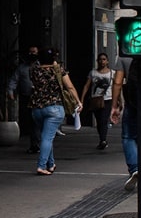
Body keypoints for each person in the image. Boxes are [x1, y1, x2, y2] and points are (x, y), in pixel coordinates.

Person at [29, 47, 81, 176]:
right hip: (54, 108)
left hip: (37, 108)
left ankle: (50, 164)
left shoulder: (34, 70)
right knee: (47, 138)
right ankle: (41, 166)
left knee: (46, 136)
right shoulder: (58, 70)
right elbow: (69, 87)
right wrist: (78, 101)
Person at [110, 56, 138, 191]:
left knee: (129, 136)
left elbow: (118, 82)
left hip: (133, 102)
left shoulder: (124, 56)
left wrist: (114, 105)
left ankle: (135, 168)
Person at [79, 53, 114, 150]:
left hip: (108, 99)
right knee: (99, 121)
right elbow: (87, 86)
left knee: (103, 119)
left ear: (107, 61)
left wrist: (118, 101)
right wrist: (81, 99)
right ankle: (102, 139)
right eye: (100, 59)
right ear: (97, 61)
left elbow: (116, 87)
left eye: (104, 59)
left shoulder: (112, 73)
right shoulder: (93, 73)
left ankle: (103, 140)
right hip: (95, 99)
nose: (102, 61)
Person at [9, 46, 39, 153]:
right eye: (30, 52)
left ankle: (38, 144)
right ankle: (34, 144)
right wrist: (11, 91)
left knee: (39, 121)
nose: (32, 54)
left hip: (40, 97)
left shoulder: (41, 67)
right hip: (27, 97)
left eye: (34, 52)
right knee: (31, 121)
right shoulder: (22, 68)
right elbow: (14, 79)